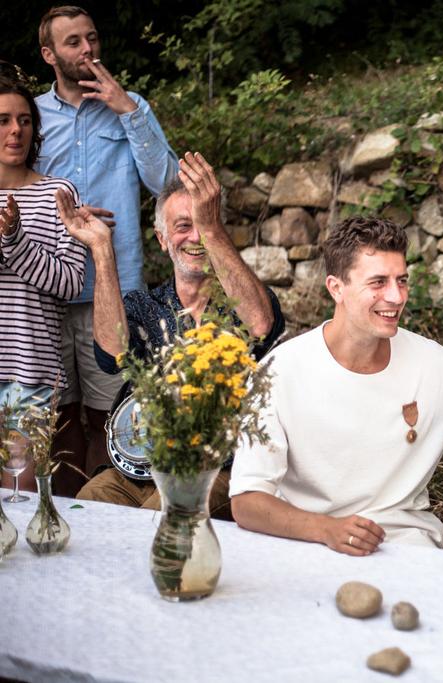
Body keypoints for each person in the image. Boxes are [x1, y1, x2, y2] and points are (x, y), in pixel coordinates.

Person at [57, 151, 284, 517]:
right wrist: (101, 251)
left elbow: (260, 324)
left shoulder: (241, 301)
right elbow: (112, 354)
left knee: (161, 514)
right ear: (162, 240)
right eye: (182, 226)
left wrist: (212, 229)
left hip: (218, 468)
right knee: (86, 510)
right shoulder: (146, 306)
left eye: (203, 224)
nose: (195, 237)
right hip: (137, 468)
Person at [230, 216, 443, 554]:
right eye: (379, 282)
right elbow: (247, 501)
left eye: (402, 280)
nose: (396, 296)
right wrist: (326, 530)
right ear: (336, 287)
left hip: (408, 550)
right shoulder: (281, 372)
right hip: (306, 547)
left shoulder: (440, 368)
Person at [35, 5, 178, 495]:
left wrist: (127, 110)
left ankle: (102, 514)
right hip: (46, 290)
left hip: (113, 290)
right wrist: (63, 217)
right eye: (73, 42)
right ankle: (66, 513)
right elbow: (15, 187)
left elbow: (166, 181)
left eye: (92, 38)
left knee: (109, 415)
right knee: (57, 416)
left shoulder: (131, 106)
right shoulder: (29, 116)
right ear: (49, 54)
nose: (88, 49)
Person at [0, 68, 86, 494]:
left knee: (17, 495)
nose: (16, 130)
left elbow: (70, 283)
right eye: (3, 120)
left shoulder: (59, 194)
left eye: (25, 120)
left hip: (30, 370)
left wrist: (14, 241)